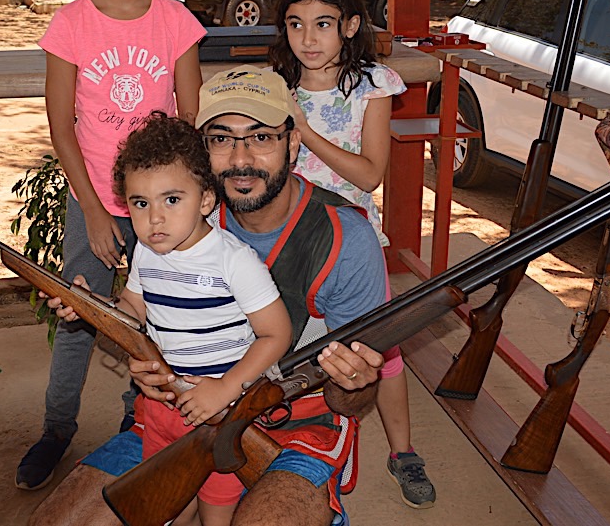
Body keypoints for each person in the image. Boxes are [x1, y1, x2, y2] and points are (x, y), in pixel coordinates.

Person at [30, 67, 388, 526]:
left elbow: (353, 399)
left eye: (261, 137)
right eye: (221, 139)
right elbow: (141, 313)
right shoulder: (172, 219)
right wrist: (103, 322)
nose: (241, 158)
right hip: (179, 411)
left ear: (293, 144)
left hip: (296, 422)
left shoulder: (346, 238)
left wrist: (356, 380)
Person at [15, 0, 206, 491]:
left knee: (158, 319)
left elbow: (188, 122)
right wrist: (96, 211)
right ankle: (56, 428)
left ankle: (137, 420)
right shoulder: (71, 25)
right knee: (79, 316)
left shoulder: (176, 23)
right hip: (92, 199)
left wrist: (173, 205)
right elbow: (62, 127)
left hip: (162, 206)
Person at [269, 0, 435, 509]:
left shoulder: (371, 86)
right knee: (285, 342)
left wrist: (303, 130)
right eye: (295, 24)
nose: (307, 38)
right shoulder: (277, 87)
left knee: (379, 350)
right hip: (288, 241)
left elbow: (369, 175)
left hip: (353, 243)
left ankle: (403, 451)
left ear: (350, 26)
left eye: (322, 23)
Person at [104, 112, 291, 525]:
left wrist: (224, 389)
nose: (154, 218)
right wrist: (93, 307)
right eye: (140, 203)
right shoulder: (146, 251)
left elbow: (276, 334)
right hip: (162, 408)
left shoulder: (234, 260)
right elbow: (133, 307)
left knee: (216, 515)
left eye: (171, 200)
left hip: (222, 416)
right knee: (164, 507)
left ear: (206, 200)